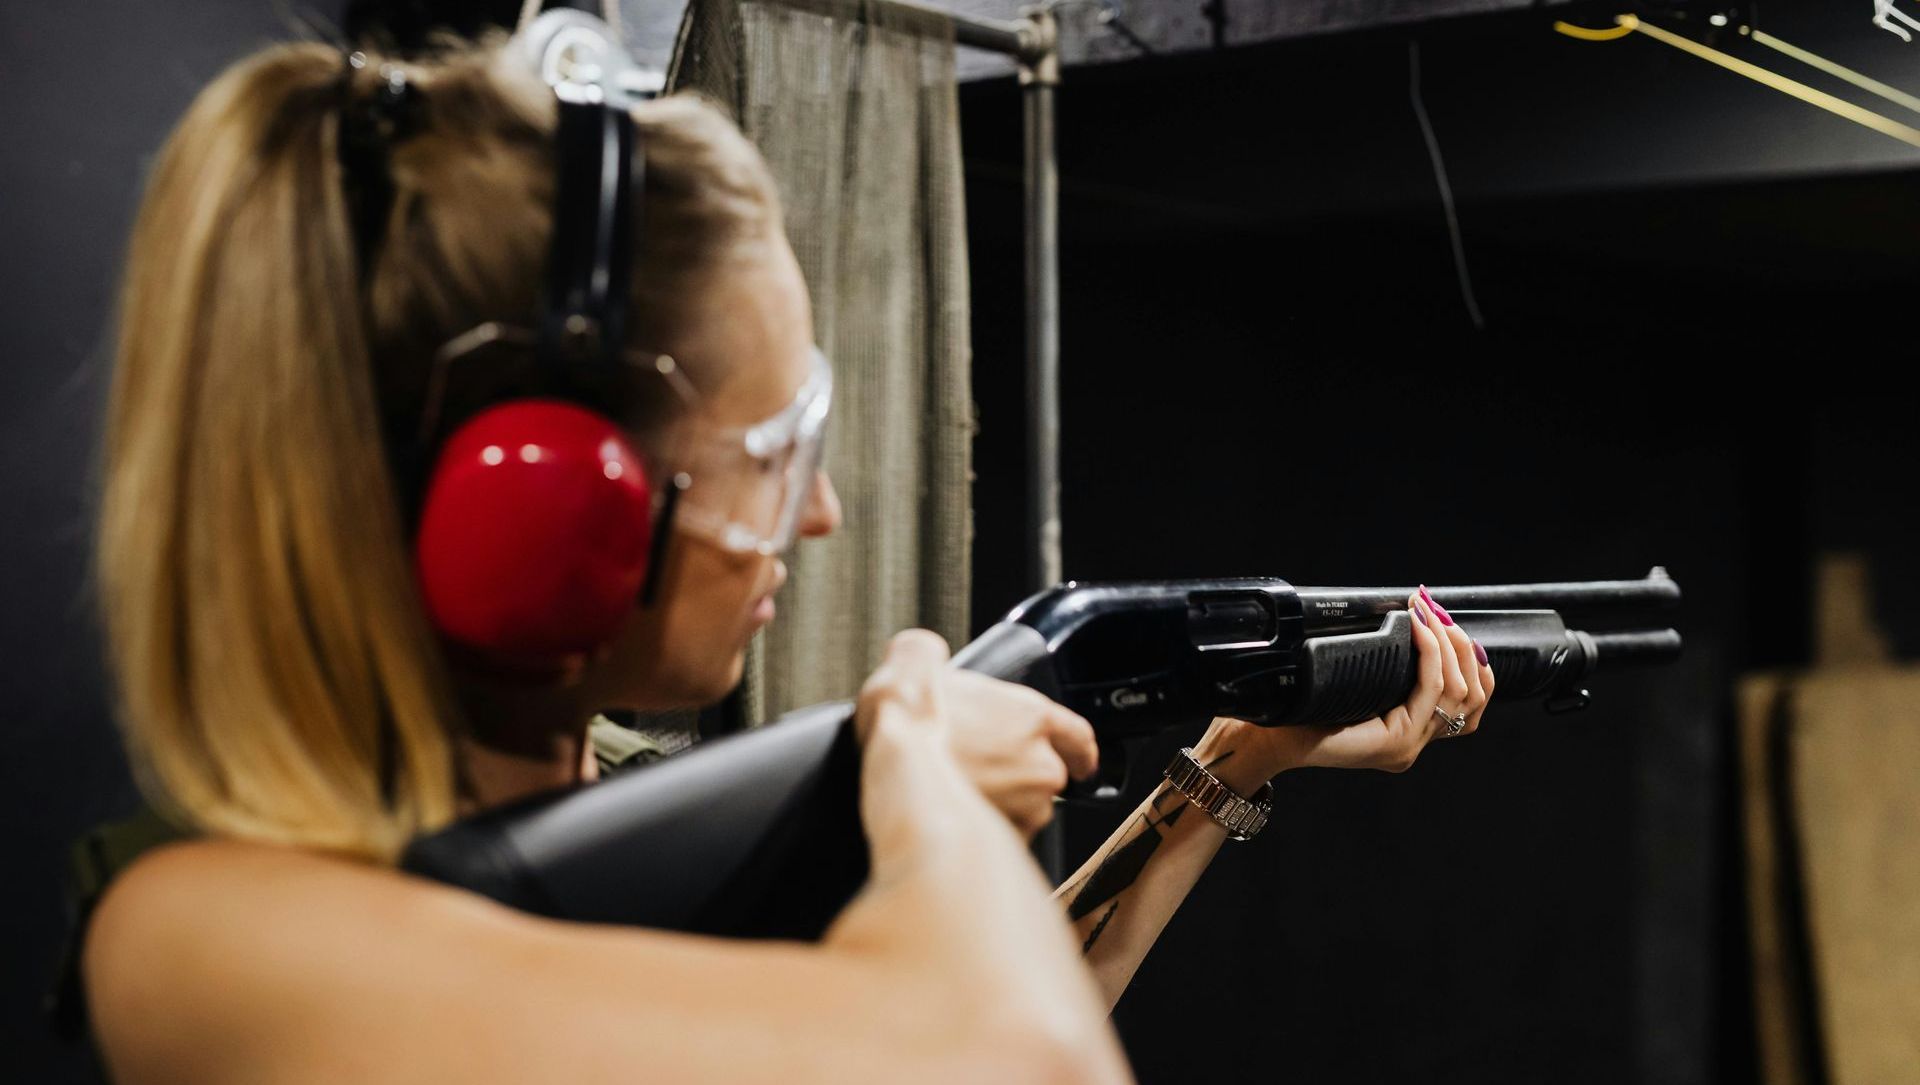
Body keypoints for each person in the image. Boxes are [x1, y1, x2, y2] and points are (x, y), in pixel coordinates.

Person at [80, 31, 1494, 1085]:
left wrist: (1228, 765)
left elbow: (997, 998)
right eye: (776, 445)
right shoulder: (196, 935)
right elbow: (1019, 1057)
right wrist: (920, 770)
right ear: (558, 506)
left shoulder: (630, 805)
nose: (817, 514)